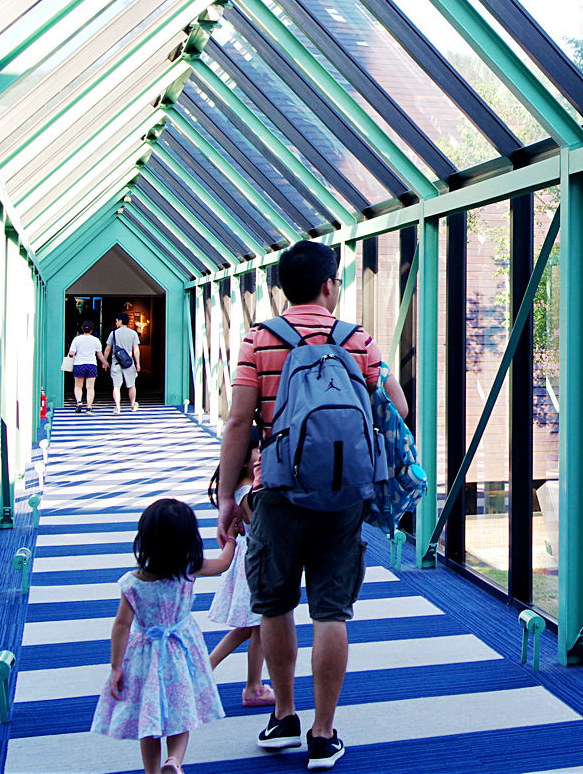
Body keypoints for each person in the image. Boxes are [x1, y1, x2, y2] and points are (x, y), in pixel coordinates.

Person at [217, 240, 408, 772]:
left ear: (283, 287)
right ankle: (324, 733)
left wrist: (228, 497)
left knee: (274, 602)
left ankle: (283, 714)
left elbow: (238, 421)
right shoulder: (357, 339)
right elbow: (399, 406)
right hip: (344, 492)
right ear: (330, 286)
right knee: (331, 610)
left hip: (277, 489)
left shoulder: (259, 340)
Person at [91, 498, 235, 774]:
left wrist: (116, 666)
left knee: (150, 718)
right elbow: (224, 564)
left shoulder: (132, 582)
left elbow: (121, 625)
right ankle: (174, 761)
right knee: (181, 713)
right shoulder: (190, 568)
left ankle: (152, 771)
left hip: (145, 657)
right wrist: (231, 538)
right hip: (181, 652)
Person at [206, 448, 273, 708]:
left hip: (250, 560)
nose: (261, 455)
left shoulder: (240, 487)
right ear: (244, 459)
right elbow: (259, 524)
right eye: (258, 449)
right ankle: (253, 687)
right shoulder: (247, 491)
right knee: (259, 624)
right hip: (258, 561)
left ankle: (206, 667)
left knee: (250, 626)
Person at [105, 312, 143, 414]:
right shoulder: (133, 333)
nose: (116, 322)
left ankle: (117, 407)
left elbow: (108, 349)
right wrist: (138, 363)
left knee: (116, 386)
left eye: (116, 321)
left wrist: (104, 362)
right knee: (131, 385)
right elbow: (136, 350)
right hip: (129, 363)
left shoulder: (113, 333)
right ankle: (133, 405)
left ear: (120, 321)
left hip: (116, 363)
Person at [67, 320, 106, 413]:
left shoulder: (77, 339)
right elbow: (99, 354)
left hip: (79, 364)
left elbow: (71, 352)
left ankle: (79, 402)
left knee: (78, 386)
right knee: (90, 387)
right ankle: (89, 407)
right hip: (91, 364)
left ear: (82, 328)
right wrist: (105, 363)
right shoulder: (96, 340)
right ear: (92, 330)